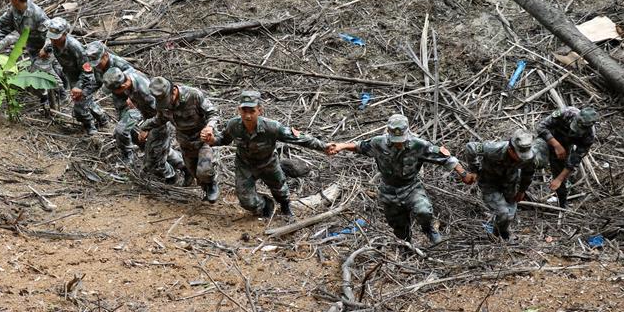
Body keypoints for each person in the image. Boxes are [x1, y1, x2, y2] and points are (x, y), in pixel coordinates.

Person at [328, 114, 475, 244]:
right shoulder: (378, 143)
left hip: (411, 187)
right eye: (395, 140)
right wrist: (341, 146)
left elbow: (446, 158)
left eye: (401, 140)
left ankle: (429, 229)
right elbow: (359, 146)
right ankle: (407, 246)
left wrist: (464, 174)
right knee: (398, 228)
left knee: (423, 211)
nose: (398, 143)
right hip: (389, 190)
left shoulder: (419, 145)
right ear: (388, 133)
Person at [209, 90, 333, 219]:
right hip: (245, 166)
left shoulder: (272, 127)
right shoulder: (234, 125)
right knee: (247, 202)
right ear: (239, 110)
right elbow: (223, 139)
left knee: (281, 191)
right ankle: (265, 204)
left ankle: (285, 206)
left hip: (268, 163)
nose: (248, 116)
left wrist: (323, 146)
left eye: (252, 111)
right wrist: (212, 140)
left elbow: (299, 138)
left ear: (260, 111)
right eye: (244, 111)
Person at [142, 77, 220, 202]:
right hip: (185, 143)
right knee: (195, 173)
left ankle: (211, 184)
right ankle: (206, 187)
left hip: (203, 140)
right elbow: (160, 119)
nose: (166, 104)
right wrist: (145, 127)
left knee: (204, 171)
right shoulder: (162, 103)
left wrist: (210, 127)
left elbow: (213, 113)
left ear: (173, 90)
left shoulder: (193, 95)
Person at [103, 67, 184, 181]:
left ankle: (172, 177)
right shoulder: (126, 76)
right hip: (149, 118)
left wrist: (146, 128)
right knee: (158, 150)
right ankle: (182, 166)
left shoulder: (146, 93)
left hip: (160, 123)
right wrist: (132, 99)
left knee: (153, 162)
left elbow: (161, 114)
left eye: (113, 91)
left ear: (122, 86)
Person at [464, 130, 537, 241]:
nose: (522, 158)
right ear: (510, 149)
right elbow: (470, 147)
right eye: (519, 154)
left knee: (510, 215)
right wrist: (474, 170)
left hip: (510, 183)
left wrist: (522, 190)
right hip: (489, 183)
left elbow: (528, 173)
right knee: (503, 213)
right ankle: (497, 236)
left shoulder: (529, 156)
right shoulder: (493, 149)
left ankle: (501, 233)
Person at [38, 18, 107, 134]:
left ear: (65, 34)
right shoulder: (55, 41)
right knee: (84, 101)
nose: (53, 40)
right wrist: (45, 49)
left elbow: (88, 71)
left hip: (84, 77)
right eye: (52, 36)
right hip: (72, 75)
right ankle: (102, 118)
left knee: (79, 107)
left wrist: (79, 87)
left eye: (57, 37)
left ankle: (90, 127)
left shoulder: (75, 48)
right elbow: (51, 43)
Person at [534, 106, 598, 208]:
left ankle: (562, 205)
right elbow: (541, 127)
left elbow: (575, 159)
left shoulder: (589, 136)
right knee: (533, 159)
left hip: (564, 149)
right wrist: (556, 145)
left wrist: (559, 179)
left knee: (560, 178)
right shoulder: (566, 113)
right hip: (547, 139)